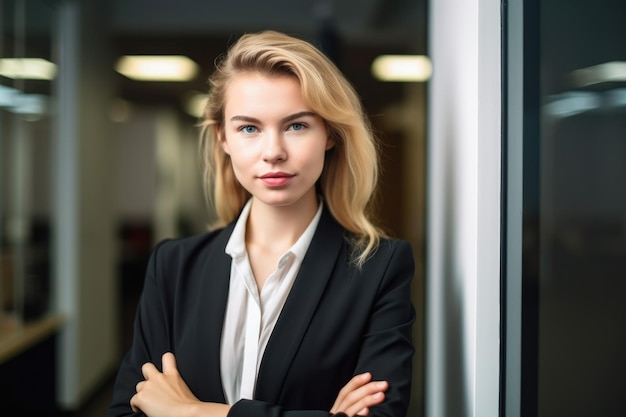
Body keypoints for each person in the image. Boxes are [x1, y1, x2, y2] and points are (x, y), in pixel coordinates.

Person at [107, 30, 415, 417]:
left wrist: (193, 411)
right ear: (223, 137)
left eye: (297, 125)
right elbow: (127, 411)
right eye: (249, 128)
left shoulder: (378, 268)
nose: (273, 152)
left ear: (330, 135)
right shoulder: (173, 265)